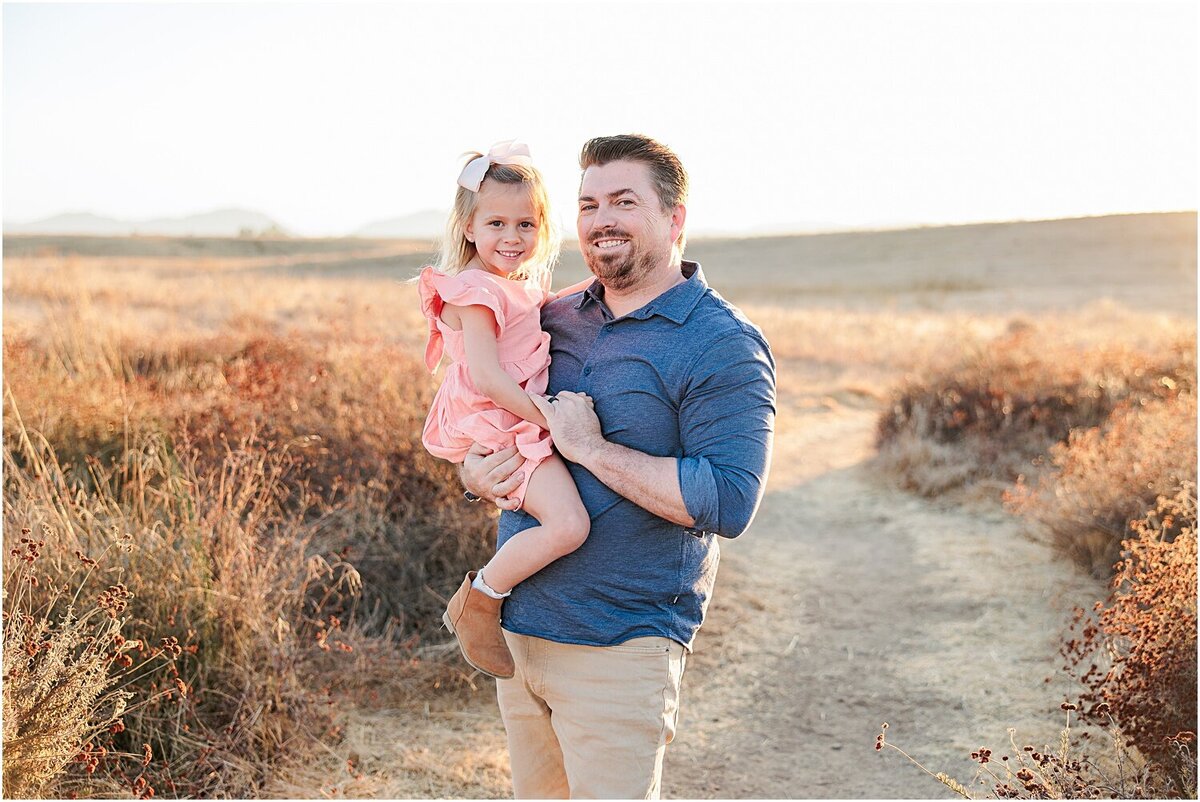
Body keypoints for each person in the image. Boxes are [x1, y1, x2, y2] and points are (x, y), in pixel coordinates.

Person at [461, 134, 777, 799]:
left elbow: (727, 501)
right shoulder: (551, 317)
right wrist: (473, 470)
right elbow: (486, 409)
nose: (600, 219)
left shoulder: (721, 343)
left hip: (620, 649)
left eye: (623, 202)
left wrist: (594, 449)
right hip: (519, 639)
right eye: (588, 204)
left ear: (675, 218)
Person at [418, 141, 595, 680]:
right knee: (567, 524)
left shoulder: (516, 285)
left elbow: (538, 317)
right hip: (501, 425)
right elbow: (491, 380)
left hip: (517, 418)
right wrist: (555, 421)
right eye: (497, 223)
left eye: (526, 223)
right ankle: (481, 602)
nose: (512, 237)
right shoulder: (473, 292)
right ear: (468, 227)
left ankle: (485, 600)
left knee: (566, 522)